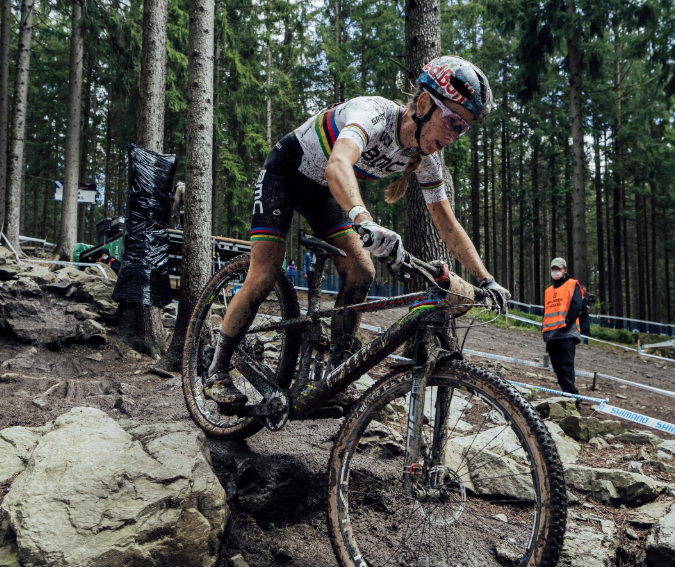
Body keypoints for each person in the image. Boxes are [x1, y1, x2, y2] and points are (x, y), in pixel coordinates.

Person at [203, 56, 509, 405]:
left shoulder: (427, 157)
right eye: (453, 121)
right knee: (264, 274)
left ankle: (335, 373)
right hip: (285, 176)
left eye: (463, 128)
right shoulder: (374, 114)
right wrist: (364, 220)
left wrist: (485, 279)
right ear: (423, 103)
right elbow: (337, 165)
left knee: (362, 270)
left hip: (324, 195)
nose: (454, 136)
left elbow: (446, 222)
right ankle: (216, 369)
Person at [543, 257, 583, 404]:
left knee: (566, 365)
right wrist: (545, 332)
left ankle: (572, 397)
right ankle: (567, 394)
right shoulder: (548, 291)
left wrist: (565, 323)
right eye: (553, 268)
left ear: (565, 270)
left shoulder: (572, 284)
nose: (556, 271)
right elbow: (546, 312)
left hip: (567, 333)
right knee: (557, 368)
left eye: (558, 269)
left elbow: (576, 306)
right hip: (551, 335)